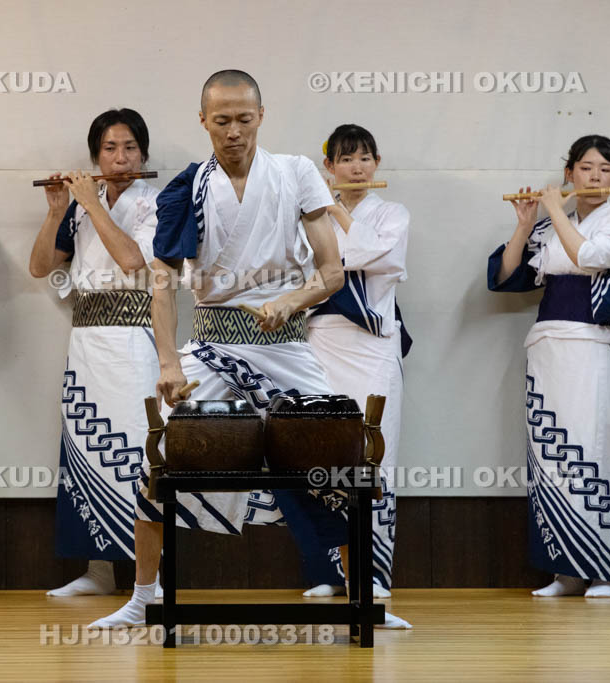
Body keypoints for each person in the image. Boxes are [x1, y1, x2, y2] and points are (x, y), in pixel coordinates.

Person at [90, 70, 410, 630]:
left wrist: (291, 300)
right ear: (203, 120)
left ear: (261, 115)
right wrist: (167, 360)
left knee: (338, 456)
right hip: (213, 338)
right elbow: (161, 279)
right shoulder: (186, 186)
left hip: (285, 342)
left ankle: (364, 598)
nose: (233, 131)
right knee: (159, 461)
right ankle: (144, 597)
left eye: (243, 118)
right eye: (221, 121)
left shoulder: (296, 173)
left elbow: (331, 272)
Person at [488, 134, 610, 598]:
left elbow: (588, 256)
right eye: (585, 168)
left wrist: (555, 210)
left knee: (595, 447)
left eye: (604, 169)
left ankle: (602, 570)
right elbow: (506, 278)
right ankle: (565, 571)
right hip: (548, 348)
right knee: (551, 455)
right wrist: (524, 223)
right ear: (569, 173)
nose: (595, 177)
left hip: (594, 346)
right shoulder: (546, 227)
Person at [29, 109, 162, 597]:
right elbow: (40, 266)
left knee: (139, 454)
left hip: (134, 341)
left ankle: (151, 578)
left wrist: (92, 203)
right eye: (110, 149)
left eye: (129, 148)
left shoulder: (158, 202)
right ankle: (98, 571)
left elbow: (133, 261)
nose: (120, 158)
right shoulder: (81, 205)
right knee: (89, 448)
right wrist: (57, 209)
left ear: (144, 154)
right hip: (85, 340)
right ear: (95, 156)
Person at [300, 124, 410, 600]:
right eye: (346, 159)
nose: (357, 167)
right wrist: (323, 213)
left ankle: (373, 573)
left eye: (365, 157)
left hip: (374, 342)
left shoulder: (394, 214)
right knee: (322, 451)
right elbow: (306, 272)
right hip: (323, 340)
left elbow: (369, 255)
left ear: (377, 162)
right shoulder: (309, 217)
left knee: (374, 452)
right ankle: (329, 571)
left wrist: (336, 212)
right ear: (329, 167)